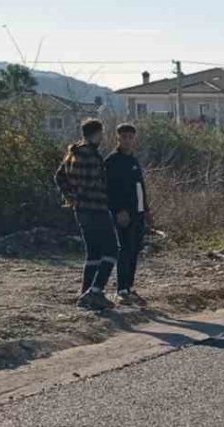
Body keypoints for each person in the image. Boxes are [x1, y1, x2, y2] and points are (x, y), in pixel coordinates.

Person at [55, 118, 117, 311]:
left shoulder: (72, 154)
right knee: (112, 250)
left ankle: (85, 293)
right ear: (97, 133)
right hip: (96, 208)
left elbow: (59, 177)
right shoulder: (91, 155)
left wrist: (71, 196)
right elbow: (95, 183)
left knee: (93, 253)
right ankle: (95, 291)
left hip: (81, 209)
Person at [105, 123, 150, 306]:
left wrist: (146, 209)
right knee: (124, 249)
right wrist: (118, 210)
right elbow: (109, 189)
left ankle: (129, 287)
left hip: (138, 212)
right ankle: (122, 289)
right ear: (118, 138)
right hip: (123, 214)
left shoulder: (133, 160)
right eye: (124, 137)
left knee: (134, 249)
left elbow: (140, 187)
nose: (128, 140)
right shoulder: (112, 161)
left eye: (131, 137)